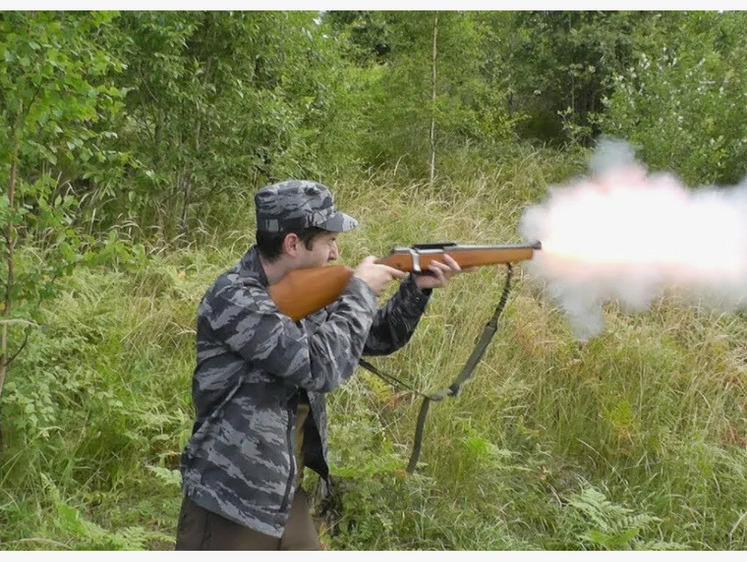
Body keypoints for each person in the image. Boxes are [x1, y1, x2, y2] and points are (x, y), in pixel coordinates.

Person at [175, 179, 468, 550]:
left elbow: (374, 336)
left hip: (283, 491)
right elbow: (320, 368)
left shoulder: (305, 289)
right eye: (329, 240)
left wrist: (417, 287)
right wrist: (361, 290)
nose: (336, 252)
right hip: (230, 497)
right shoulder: (235, 298)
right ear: (293, 244)